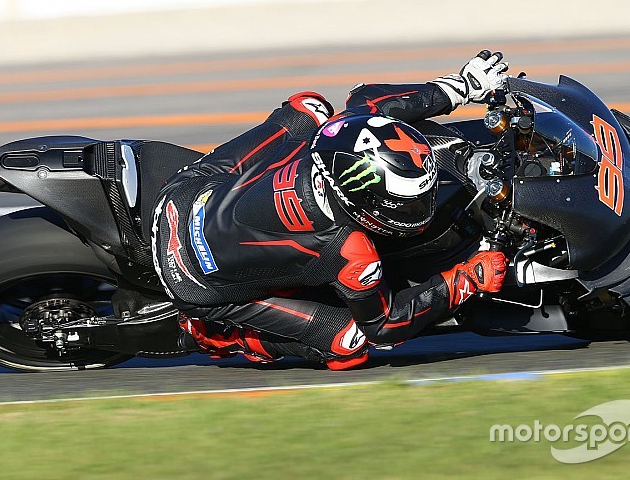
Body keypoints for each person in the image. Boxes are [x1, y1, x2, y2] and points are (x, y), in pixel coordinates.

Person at [151, 50, 509, 370]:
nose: (418, 208)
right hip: (195, 281)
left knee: (309, 108)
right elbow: (384, 327)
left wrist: (460, 86)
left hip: (182, 196)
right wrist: (463, 281)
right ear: (359, 199)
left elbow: (369, 102)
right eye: (407, 203)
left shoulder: (336, 137)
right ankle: (223, 335)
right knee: (349, 343)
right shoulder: (352, 250)